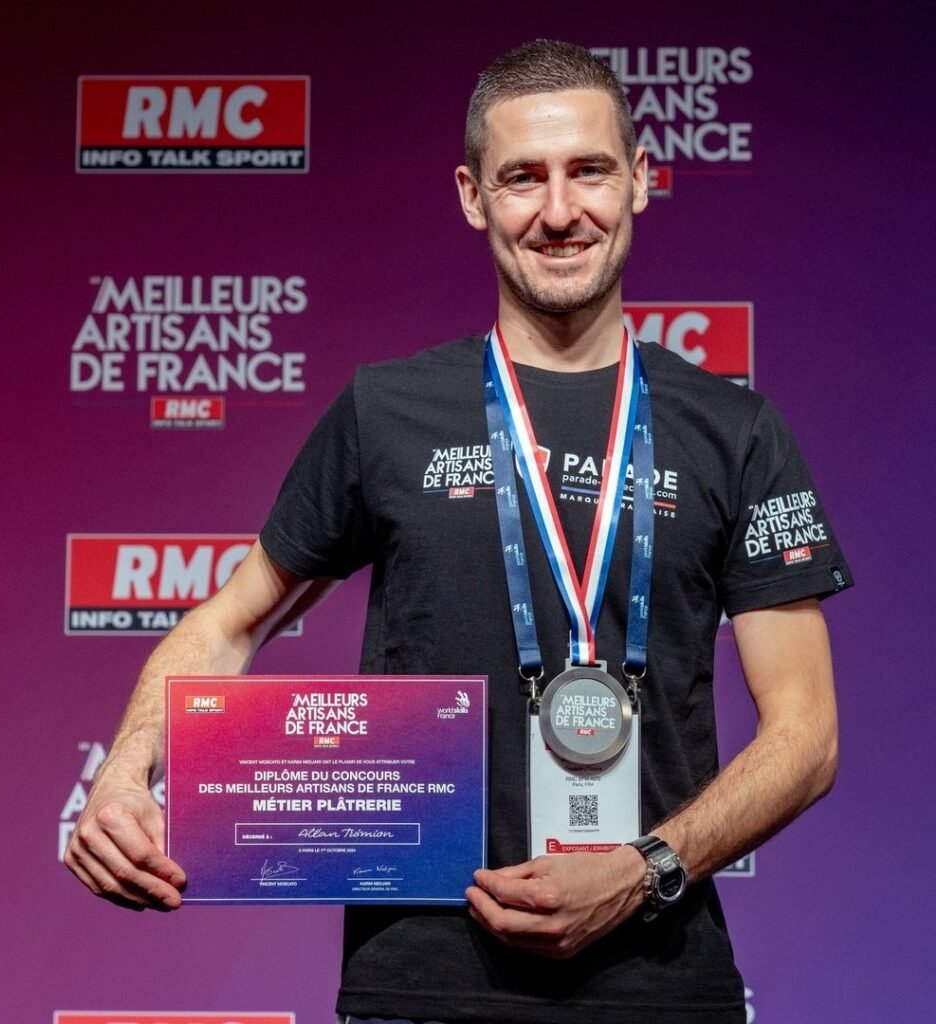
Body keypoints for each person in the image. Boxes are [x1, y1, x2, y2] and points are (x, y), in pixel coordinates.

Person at [66, 39, 852, 1024]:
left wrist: (642, 865)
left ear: (643, 181)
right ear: (472, 195)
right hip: (421, 987)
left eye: (589, 171)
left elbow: (806, 733)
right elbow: (230, 623)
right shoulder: (386, 411)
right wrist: (128, 768)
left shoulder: (732, 430)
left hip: (658, 984)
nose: (559, 211)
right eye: (522, 177)